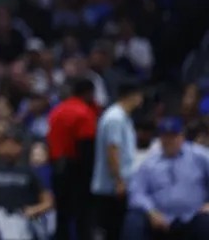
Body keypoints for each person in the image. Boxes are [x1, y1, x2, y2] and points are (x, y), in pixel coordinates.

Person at [122, 117, 209, 239]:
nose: (169, 141)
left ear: (181, 137)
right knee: (134, 220)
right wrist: (151, 211)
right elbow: (137, 191)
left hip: (193, 217)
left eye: (173, 136)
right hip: (160, 218)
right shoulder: (150, 162)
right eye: (165, 137)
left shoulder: (199, 155)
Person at [0, 128, 54, 240]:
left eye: (14, 143)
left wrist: (34, 210)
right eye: (5, 142)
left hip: (22, 221)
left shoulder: (29, 172)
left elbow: (48, 201)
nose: (9, 147)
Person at [46, 78, 98, 240]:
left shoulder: (57, 110)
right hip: (77, 170)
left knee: (62, 217)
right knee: (83, 218)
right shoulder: (84, 112)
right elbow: (86, 146)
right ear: (89, 93)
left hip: (57, 168)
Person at [91, 80, 144, 240]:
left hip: (119, 185)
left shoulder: (123, 116)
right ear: (132, 96)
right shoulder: (115, 118)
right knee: (112, 231)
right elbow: (112, 150)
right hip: (112, 187)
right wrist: (119, 181)